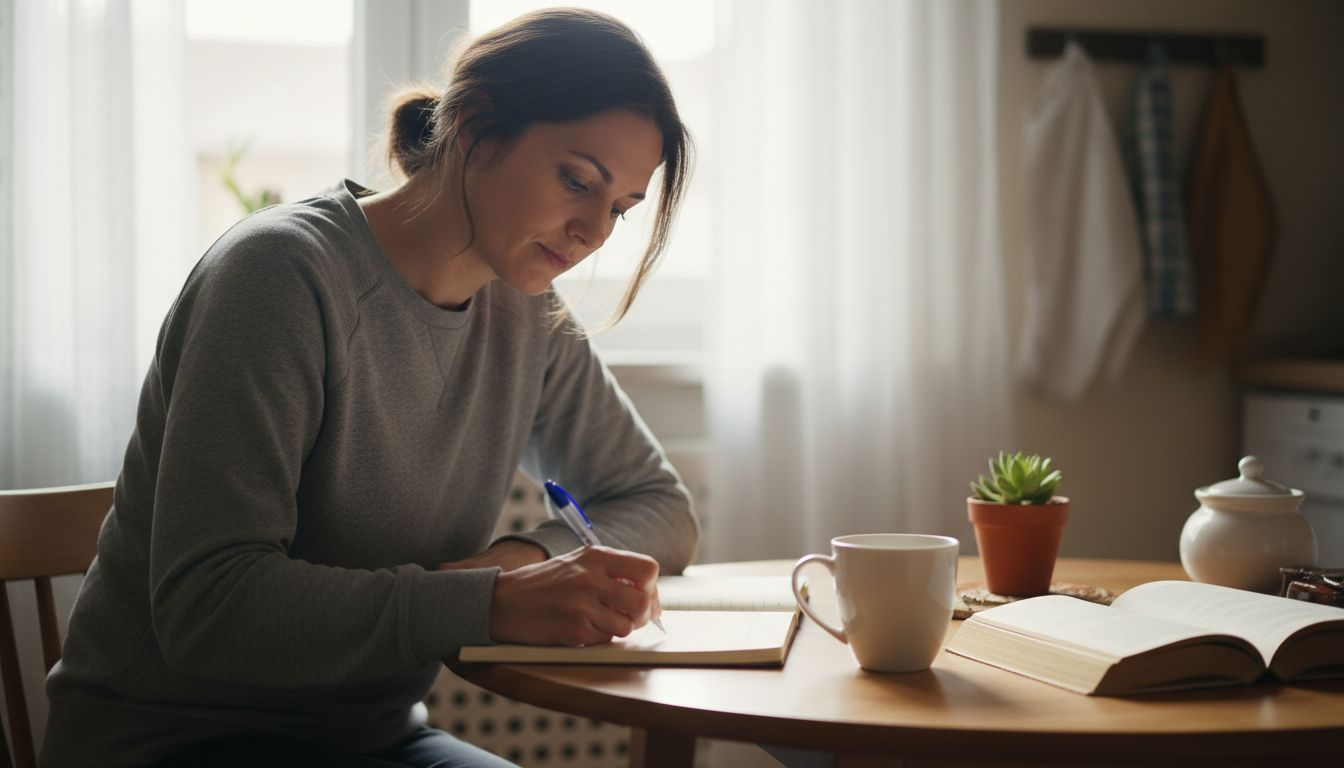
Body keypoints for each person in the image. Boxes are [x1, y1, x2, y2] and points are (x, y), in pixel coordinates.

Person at [40, 8, 697, 767]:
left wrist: (514, 561)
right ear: (476, 126)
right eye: (577, 180)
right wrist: (487, 604)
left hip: (373, 739)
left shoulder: (526, 311)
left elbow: (659, 507)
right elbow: (208, 607)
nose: (593, 233)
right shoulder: (281, 277)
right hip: (168, 741)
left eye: (618, 208)